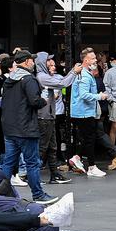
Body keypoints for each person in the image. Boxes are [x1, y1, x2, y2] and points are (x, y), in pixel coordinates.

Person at [1, 50, 58, 204]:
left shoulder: (8, 80)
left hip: (9, 128)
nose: (33, 63)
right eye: (32, 60)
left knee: (9, 162)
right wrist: (44, 100)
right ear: (26, 62)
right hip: (26, 128)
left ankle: (0, 194)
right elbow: (34, 101)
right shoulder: (28, 79)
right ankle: (38, 194)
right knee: (32, 163)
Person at [69, 48, 116, 177]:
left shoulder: (85, 73)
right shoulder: (84, 75)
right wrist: (99, 96)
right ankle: (91, 167)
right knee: (90, 139)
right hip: (84, 112)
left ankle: (77, 158)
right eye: (93, 58)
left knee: (89, 137)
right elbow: (84, 95)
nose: (96, 60)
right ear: (86, 60)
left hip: (84, 111)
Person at [35, 51, 79, 184]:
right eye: (48, 60)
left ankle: (54, 174)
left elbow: (62, 82)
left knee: (51, 147)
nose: (51, 64)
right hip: (44, 117)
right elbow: (63, 83)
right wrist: (74, 71)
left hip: (48, 116)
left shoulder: (45, 76)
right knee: (42, 147)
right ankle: (34, 175)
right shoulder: (42, 77)